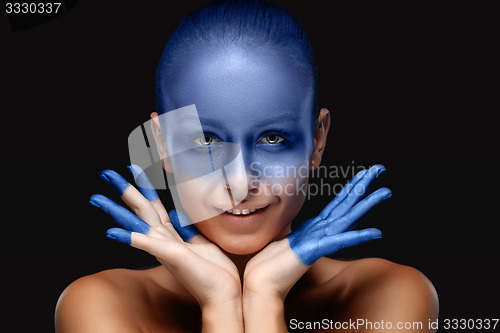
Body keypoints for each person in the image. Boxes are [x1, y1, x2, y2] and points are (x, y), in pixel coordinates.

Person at [55, 1, 438, 332]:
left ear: (317, 140)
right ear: (162, 145)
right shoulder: (100, 305)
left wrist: (263, 298)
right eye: (206, 140)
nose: (240, 183)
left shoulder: (390, 295)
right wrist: (221, 302)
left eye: (272, 139)